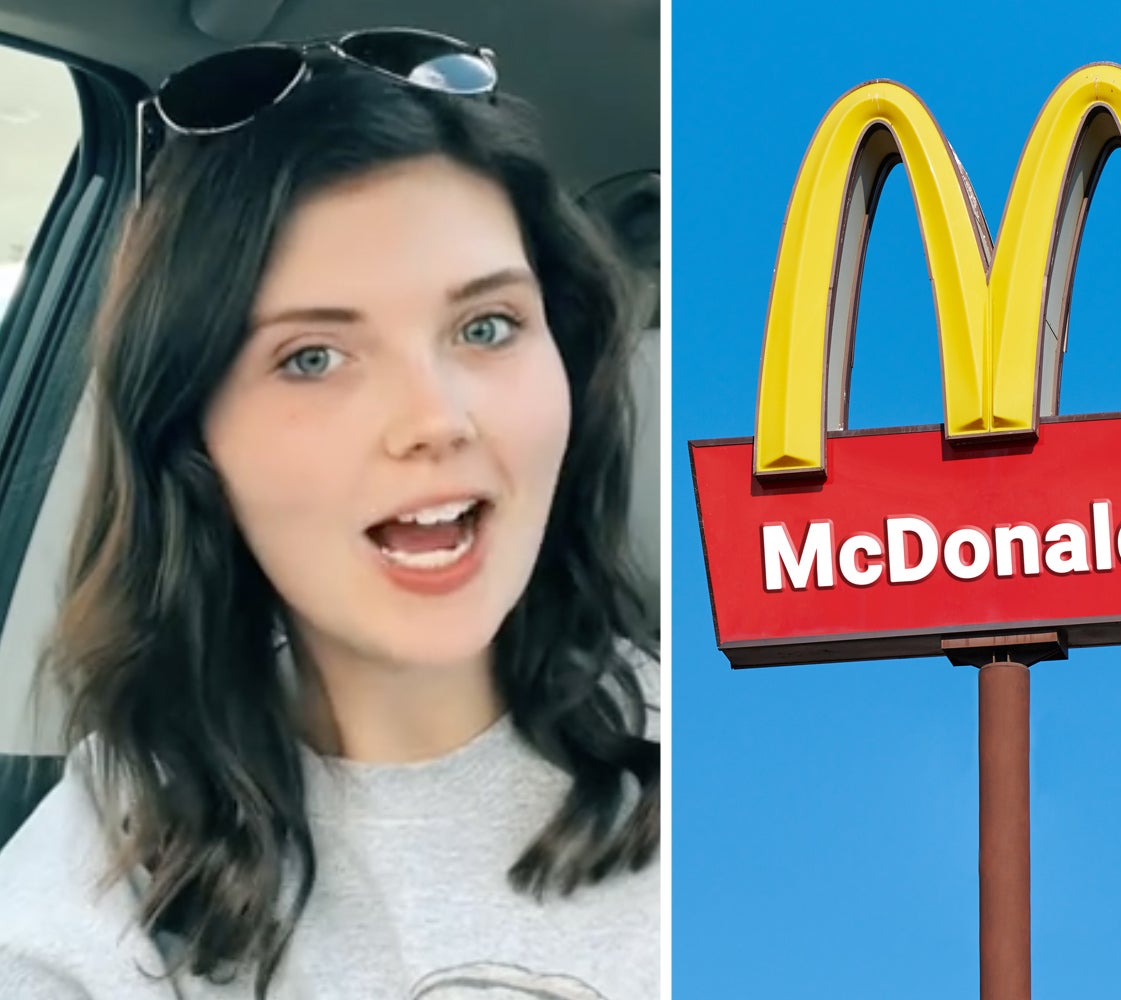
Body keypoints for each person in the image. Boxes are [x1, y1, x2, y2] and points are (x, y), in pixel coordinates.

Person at [0, 30, 658, 998]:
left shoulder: (753, 768)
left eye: (486, 326)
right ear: (197, 439)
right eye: (312, 356)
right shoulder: (113, 840)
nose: (435, 419)